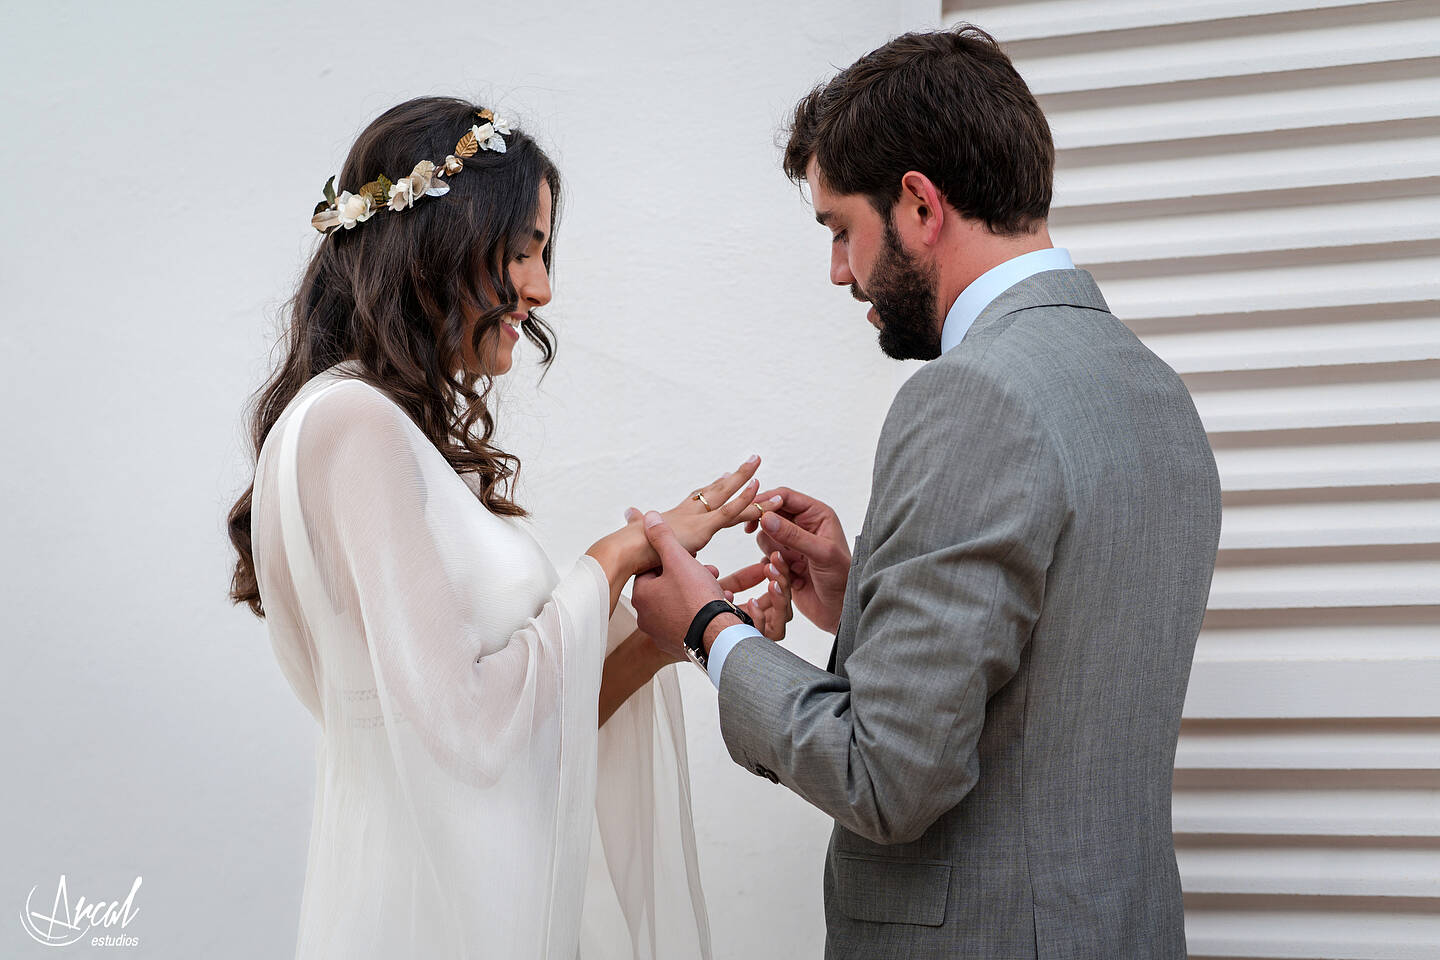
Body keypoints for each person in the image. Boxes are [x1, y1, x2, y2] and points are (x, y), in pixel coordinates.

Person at [630, 26, 1223, 959]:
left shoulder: (972, 392)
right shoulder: (1155, 390)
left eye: (839, 228)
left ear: (918, 205)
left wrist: (710, 631)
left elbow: (887, 781)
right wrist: (861, 588)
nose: (838, 271)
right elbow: (1062, 659)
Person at [225, 96, 792, 959]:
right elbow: (470, 729)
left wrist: (666, 635)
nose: (542, 288)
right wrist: (619, 553)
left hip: (458, 901)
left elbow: (508, 732)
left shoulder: (377, 429)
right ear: (438, 246)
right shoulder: (353, 424)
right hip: (427, 917)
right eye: (523, 251)